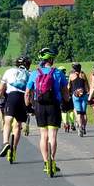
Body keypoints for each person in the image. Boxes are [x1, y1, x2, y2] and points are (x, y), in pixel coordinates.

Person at [25, 47, 69, 175]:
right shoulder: (58, 73)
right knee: (53, 135)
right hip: (54, 106)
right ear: (51, 59)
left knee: (43, 135)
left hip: (39, 106)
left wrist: (28, 106)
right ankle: (52, 161)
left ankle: (46, 163)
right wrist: (66, 102)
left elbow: (27, 93)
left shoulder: (35, 73)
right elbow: (65, 92)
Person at [0, 56, 31, 160]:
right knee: (18, 125)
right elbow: (31, 91)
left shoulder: (9, 71)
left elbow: (1, 88)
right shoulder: (29, 74)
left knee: (8, 121)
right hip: (23, 98)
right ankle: (13, 150)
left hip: (11, 97)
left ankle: (6, 143)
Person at [68, 62, 90, 137]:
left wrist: (68, 94)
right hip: (84, 95)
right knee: (84, 112)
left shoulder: (71, 76)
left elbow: (69, 86)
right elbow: (87, 86)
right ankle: (84, 127)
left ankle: (80, 126)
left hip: (75, 95)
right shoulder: (83, 75)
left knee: (78, 113)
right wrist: (88, 93)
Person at [59, 67, 76, 133]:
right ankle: (72, 123)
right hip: (70, 95)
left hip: (62, 96)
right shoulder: (68, 77)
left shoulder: (59, 78)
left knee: (64, 111)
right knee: (71, 110)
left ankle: (66, 123)